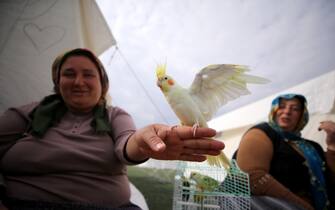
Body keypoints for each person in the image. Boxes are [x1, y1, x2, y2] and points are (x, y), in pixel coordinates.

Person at [0, 48, 225, 210]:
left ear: (103, 84)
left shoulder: (115, 115)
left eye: (88, 74)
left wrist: (142, 143)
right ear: (57, 81)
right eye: (69, 74)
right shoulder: (28, 113)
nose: (79, 82)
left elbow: (127, 144)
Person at [233, 93, 335, 210]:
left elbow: (331, 182)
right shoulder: (263, 132)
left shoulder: (312, 147)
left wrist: (332, 146)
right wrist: (303, 207)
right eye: (281, 106)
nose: (287, 111)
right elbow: (252, 177)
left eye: (295, 108)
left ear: (302, 115)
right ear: (274, 110)